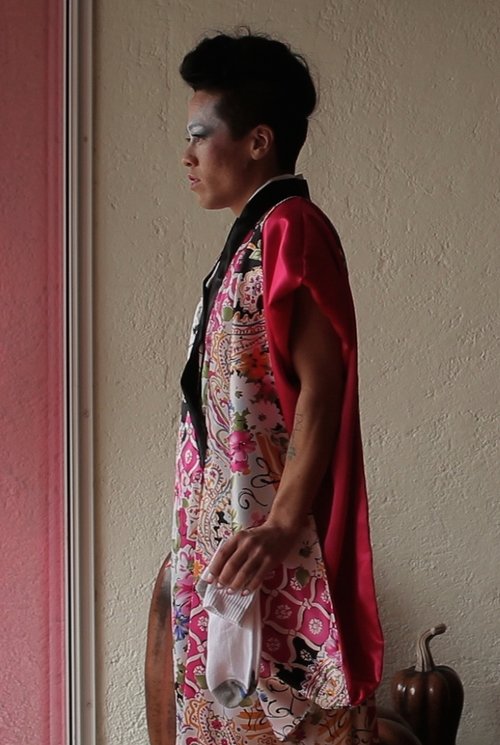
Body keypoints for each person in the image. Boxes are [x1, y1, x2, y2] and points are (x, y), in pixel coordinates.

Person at [171, 31, 384, 745]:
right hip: (229, 536)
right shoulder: (246, 241)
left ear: (258, 141)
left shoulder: (292, 229)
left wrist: (285, 524)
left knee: (288, 721)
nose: (187, 156)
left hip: (270, 540)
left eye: (200, 136)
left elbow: (323, 387)